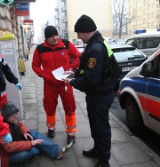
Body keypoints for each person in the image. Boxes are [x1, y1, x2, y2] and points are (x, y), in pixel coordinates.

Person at [63, 15, 120, 167]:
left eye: (79, 34)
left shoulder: (96, 48)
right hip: (99, 92)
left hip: (100, 94)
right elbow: (88, 68)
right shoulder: (95, 43)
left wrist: (72, 82)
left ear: (86, 32)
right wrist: (75, 72)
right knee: (96, 125)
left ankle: (104, 160)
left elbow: (91, 79)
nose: (78, 37)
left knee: (101, 128)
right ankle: (97, 150)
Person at [32, 25, 81, 144]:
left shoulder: (66, 44)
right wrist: (43, 74)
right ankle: (51, 128)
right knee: (49, 107)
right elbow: (35, 65)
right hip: (49, 84)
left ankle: (71, 133)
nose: (55, 38)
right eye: (52, 36)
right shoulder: (40, 49)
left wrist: (71, 68)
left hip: (65, 82)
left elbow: (78, 57)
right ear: (46, 38)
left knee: (70, 107)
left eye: (56, 35)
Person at [0, 101, 65, 167]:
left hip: (19, 141)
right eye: (13, 116)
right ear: (7, 117)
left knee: (33, 134)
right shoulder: (2, 129)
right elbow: (9, 147)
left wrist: (25, 132)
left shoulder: (12, 119)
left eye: (16, 114)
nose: (16, 117)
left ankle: (57, 151)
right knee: (25, 154)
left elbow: (20, 124)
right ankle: (44, 147)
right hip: (8, 155)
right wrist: (30, 143)